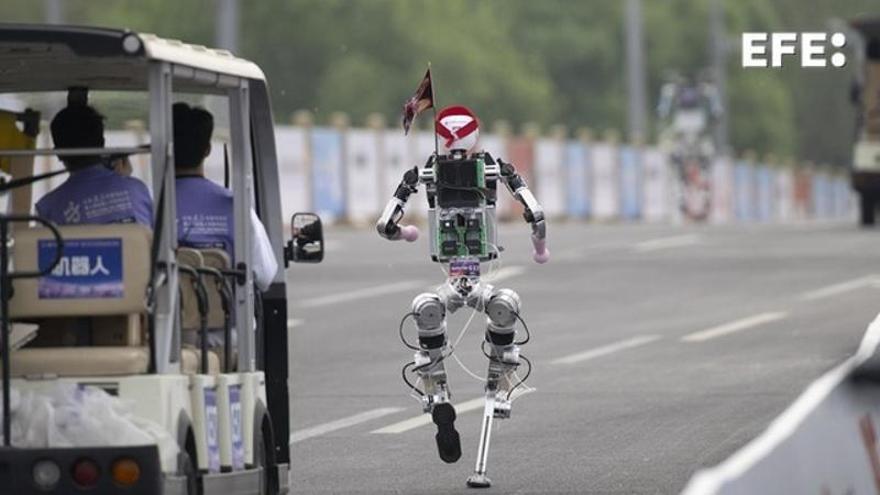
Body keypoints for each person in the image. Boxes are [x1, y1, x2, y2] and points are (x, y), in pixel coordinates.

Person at [172, 102, 277, 292]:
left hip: (168, 319)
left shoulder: (150, 205)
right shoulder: (235, 206)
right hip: (230, 320)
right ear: (207, 150)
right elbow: (265, 275)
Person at [35, 104, 153, 226]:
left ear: (58, 153)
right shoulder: (137, 189)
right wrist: (123, 182)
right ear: (102, 143)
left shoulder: (48, 208)